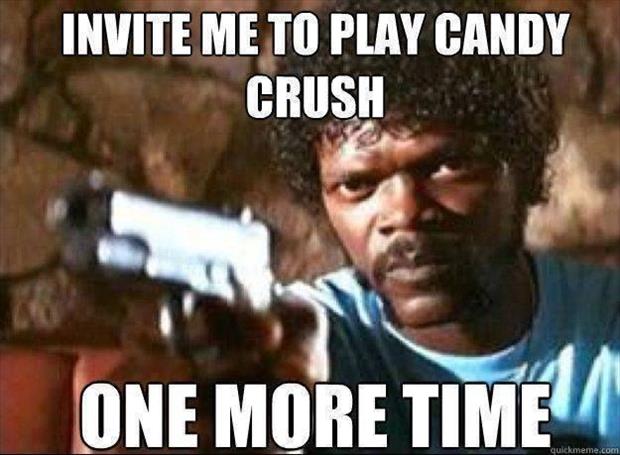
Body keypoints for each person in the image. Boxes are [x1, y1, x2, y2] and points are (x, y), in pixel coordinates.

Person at [261, 0, 620, 450]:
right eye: (356, 184)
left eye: (447, 165)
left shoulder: (607, 333)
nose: (404, 212)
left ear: (522, 167)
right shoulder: (311, 343)